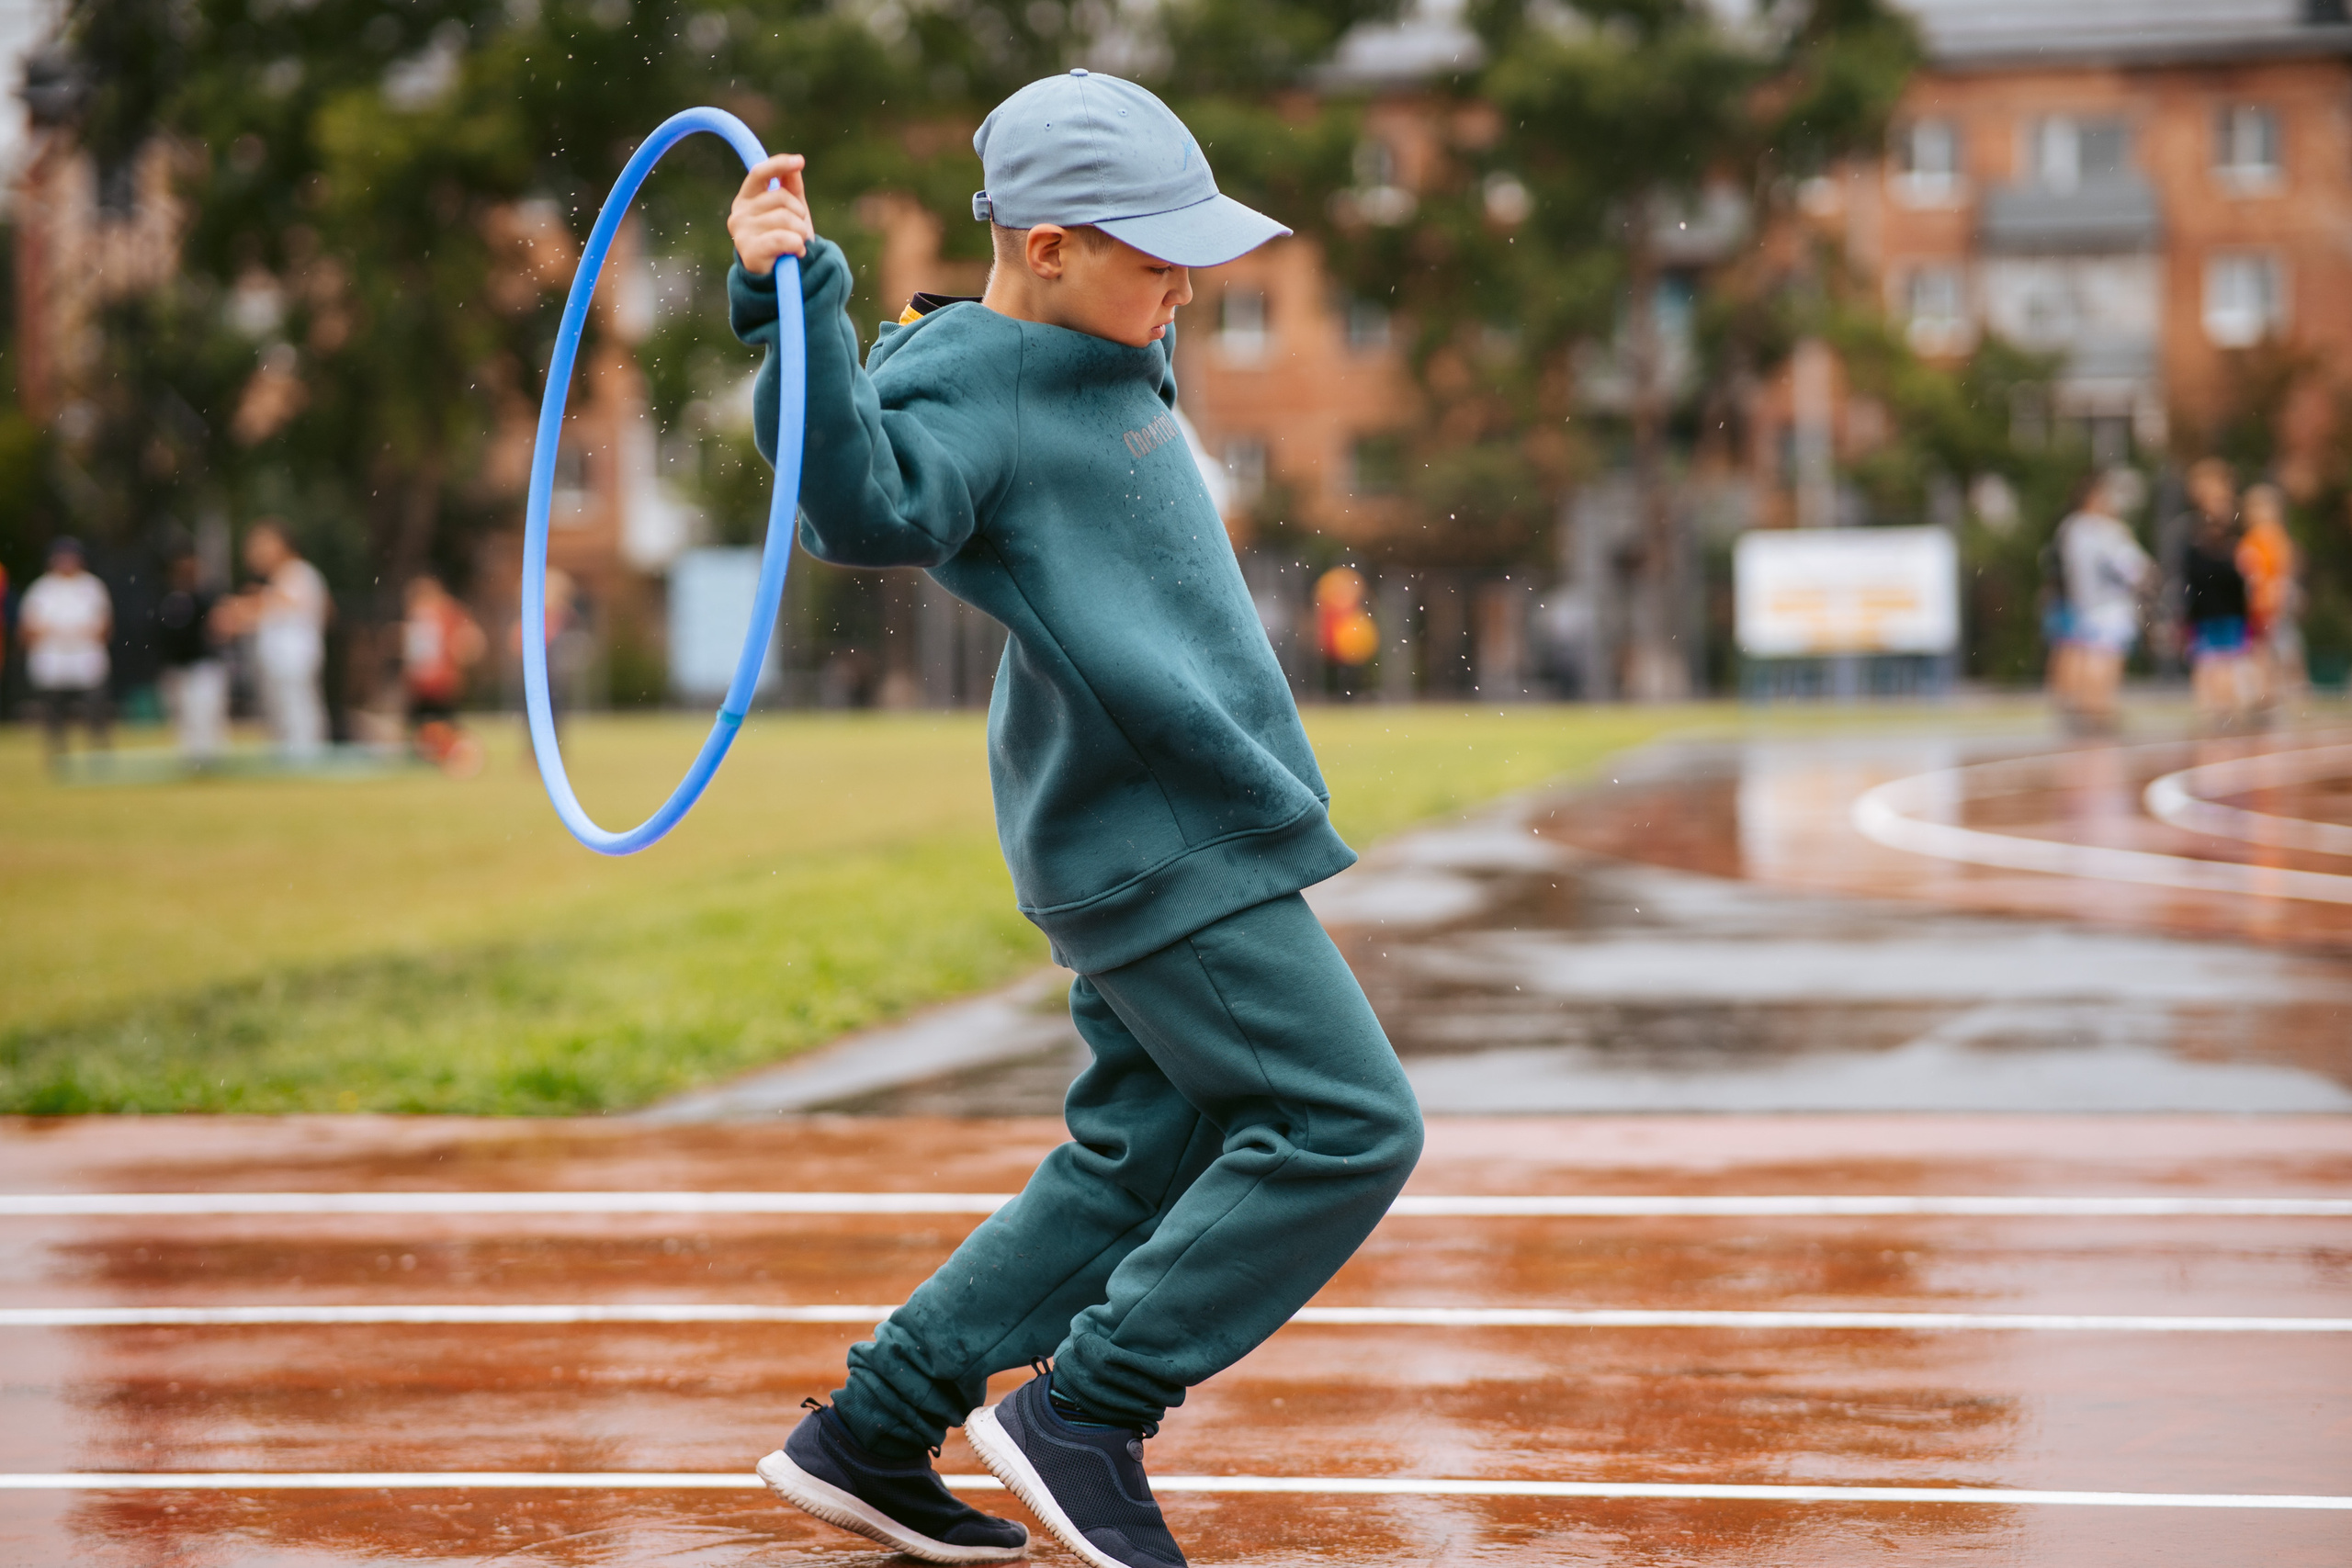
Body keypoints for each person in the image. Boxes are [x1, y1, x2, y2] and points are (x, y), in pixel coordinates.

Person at [726, 70, 1422, 1568]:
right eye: (1154, 249)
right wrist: (794, 305)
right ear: (1045, 245)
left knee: (1137, 1158)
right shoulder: (966, 373)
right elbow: (862, 503)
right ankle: (1087, 1408)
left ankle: (873, 1425)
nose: (1188, 279)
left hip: (1181, 822)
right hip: (1160, 838)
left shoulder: (1111, 347)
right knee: (1348, 1124)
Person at [219, 520, 330, 757]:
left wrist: (240, 611)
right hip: (280, 664)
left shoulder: (299, 572)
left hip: (293, 662)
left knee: (297, 712)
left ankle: (305, 757)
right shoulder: (281, 579)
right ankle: (292, 756)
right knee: (282, 714)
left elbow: (279, 605)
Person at [2054, 471, 2151, 733]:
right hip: (2111, 603)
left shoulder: (2071, 528)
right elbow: (2132, 567)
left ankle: (2084, 708)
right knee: (2107, 657)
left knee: (2088, 653)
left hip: (2084, 602)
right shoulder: (2106, 530)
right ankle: (2101, 709)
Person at [20, 536, 113, 764]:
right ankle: (58, 756)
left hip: (85, 658)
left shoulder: (91, 587)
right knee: (53, 710)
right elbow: (28, 630)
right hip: (53, 660)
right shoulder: (42, 589)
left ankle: (98, 754)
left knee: (94, 706)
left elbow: (104, 627)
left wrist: (66, 633)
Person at [401, 574, 487, 772]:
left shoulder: (448, 612)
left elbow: (471, 640)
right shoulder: (418, 614)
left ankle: (457, 757)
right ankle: (430, 758)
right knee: (423, 726)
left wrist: (462, 650)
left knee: (444, 726)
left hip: (442, 681)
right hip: (422, 682)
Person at [2183, 495, 2254, 728]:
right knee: (2223, 664)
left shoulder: (2197, 553)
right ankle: (2222, 710)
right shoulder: (2234, 554)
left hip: (2212, 617)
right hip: (2223, 617)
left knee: (2211, 664)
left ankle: (2214, 710)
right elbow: (2243, 587)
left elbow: (2191, 589)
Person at [2236, 482, 2303, 713]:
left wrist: (2281, 596)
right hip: (2256, 605)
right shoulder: (2252, 539)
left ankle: (2290, 691)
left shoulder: (2275, 538)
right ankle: (2266, 693)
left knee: (2282, 648)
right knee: (2261, 650)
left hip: (2272, 604)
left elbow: (2283, 571)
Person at [155, 552, 228, 762]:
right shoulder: (166, 598)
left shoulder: (208, 597)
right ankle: (190, 758)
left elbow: (218, 628)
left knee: (205, 712)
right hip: (177, 667)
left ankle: (209, 756)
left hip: (203, 665)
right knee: (182, 715)